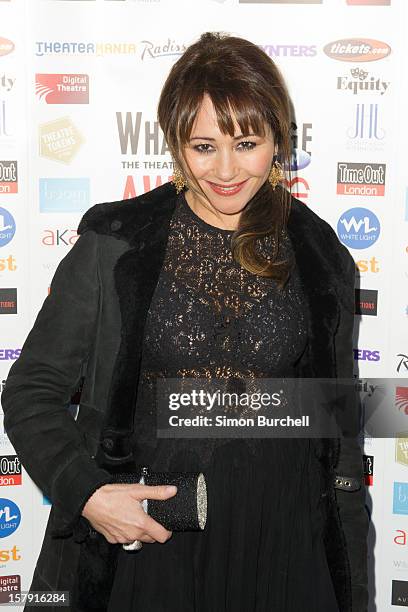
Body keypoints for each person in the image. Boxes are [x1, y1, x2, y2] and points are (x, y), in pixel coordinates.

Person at [2, 32, 368, 612]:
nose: (226, 169)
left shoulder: (320, 254)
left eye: (246, 142)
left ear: (278, 139)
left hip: (283, 545)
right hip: (149, 542)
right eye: (204, 146)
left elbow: (339, 432)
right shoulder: (117, 244)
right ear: (176, 144)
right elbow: (31, 390)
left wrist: (352, 583)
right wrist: (89, 492)